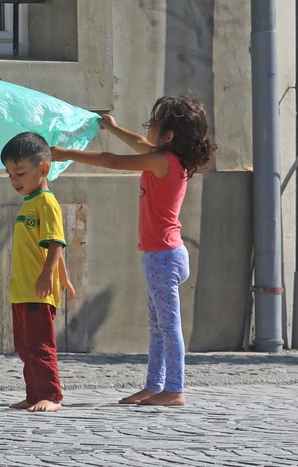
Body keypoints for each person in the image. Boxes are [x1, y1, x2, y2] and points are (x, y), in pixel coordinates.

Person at [51, 96, 216, 407]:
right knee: (157, 326)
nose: (148, 130)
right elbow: (139, 142)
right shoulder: (166, 157)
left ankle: (175, 389)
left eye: (153, 124)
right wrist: (113, 128)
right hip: (161, 256)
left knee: (168, 327)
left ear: (168, 136)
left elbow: (114, 161)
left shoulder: (162, 161)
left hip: (163, 257)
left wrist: (63, 154)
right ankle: (154, 386)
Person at [1, 131, 76, 413]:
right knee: (25, 347)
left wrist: (49, 276)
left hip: (38, 292)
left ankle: (51, 396)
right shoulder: (29, 203)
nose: (14, 180)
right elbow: (49, 242)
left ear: (43, 168)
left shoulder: (46, 202)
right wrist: (63, 274)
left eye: (19, 172)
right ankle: (33, 394)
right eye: (9, 174)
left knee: (40, 345)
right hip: (21, 290)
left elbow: (57, 240)